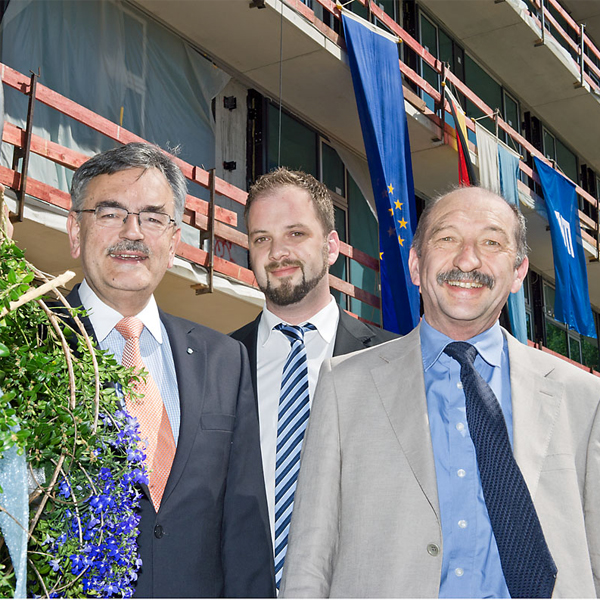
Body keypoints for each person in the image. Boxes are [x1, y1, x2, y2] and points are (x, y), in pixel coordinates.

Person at [280, 186, 600, 598]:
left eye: (491, 242)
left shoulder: (583, 398)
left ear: (519, 272)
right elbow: (310, 559)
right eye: (447, 238)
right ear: (415, 265)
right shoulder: (345, 386)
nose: (468, 260)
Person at [65, 142, 275, 598]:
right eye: (110, 213)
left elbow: (244, 527)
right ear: (75, 231)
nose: (133, 232)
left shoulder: (226, 360)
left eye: (154, 217)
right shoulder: (27, 345)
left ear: (174, 240)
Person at [231, 167, 396, 588]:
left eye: (296, 234)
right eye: (261, 238)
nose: (277, 251)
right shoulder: (218, 364)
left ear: (332, 246)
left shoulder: (394, 361)